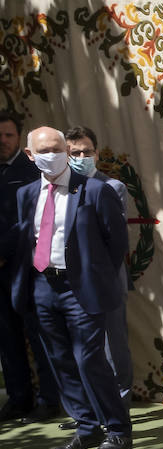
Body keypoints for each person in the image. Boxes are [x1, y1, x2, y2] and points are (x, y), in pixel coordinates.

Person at [3, 127, 131, 449]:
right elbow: (26, 241)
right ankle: (86, 425)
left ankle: (117, 428)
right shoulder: (27, 194)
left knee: (88, 358)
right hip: (44, 285)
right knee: (59, 359)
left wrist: (94, 275)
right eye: (44, 150)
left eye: (58, 148)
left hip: (82, 286)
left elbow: (116, 244)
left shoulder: (94, 191)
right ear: (30, 155)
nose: (53, 154)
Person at [67, 125, 132, 413]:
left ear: (96, 152)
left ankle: (119, 404)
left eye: (87, 151)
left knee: (112, 346)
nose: (82, 156)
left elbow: (114, 243)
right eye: (75, 152)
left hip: (105, 279)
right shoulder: (62, 188)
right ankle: (91, 409)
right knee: (84, 348)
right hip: (72, 282)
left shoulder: (111, 187)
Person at [0, 110, 60, 423]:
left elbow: (26, 223)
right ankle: (18, 398)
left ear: (19, 139)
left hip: (25, 268)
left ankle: (50, 399)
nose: (2, 142)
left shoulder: (32, 170)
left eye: (8, 135)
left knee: (39, 336)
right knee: (6, 338)